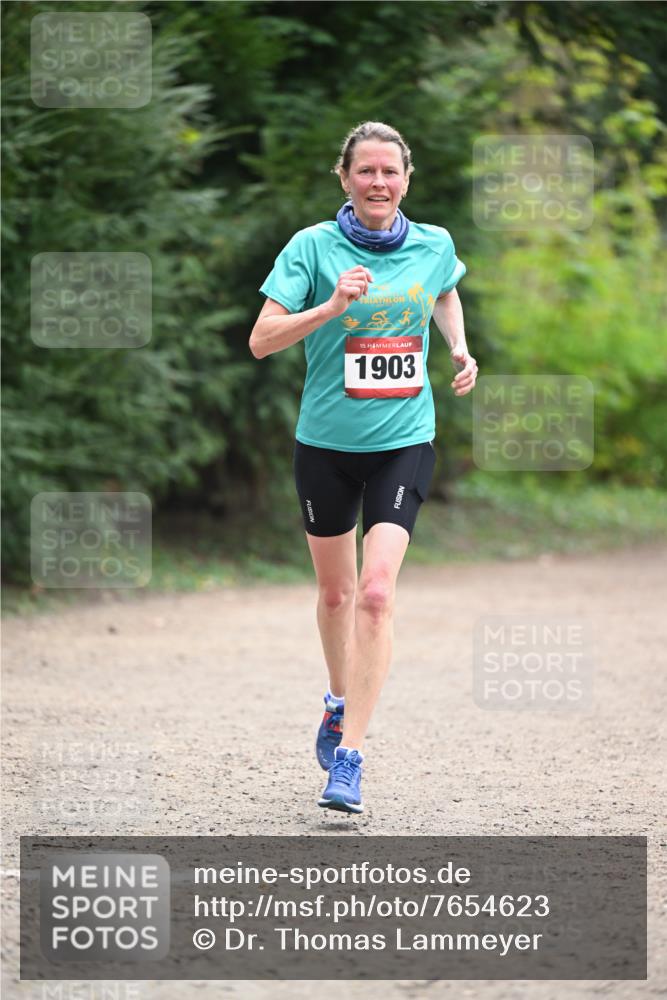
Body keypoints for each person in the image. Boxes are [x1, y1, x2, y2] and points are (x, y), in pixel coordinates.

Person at [249, 121, 477, 814]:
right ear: (344, 177)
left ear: (407, 178)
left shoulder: (433, 243)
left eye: (390, 171)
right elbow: (261, 341)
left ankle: (348, 756)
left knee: (377, 593)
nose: (378, 182)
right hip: (324, 447)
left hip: (404, 440)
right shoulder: (312, 247)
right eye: (365, 171)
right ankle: (336, 699)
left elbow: (441, 291)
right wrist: (330, 306)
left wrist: (459, 349)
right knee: (336, 596)